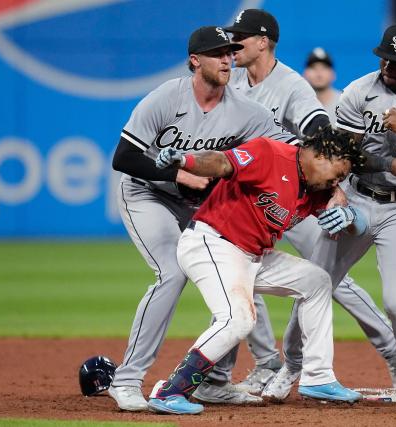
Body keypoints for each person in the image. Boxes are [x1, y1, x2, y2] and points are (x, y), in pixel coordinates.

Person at [202, 8, 396, 400]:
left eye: (239, 38)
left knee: (330, 280)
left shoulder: (290, 86)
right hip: (251, 200)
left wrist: (333, 189)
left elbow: (322, 134)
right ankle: (245, 370)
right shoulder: (233, 83)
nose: (231, 45)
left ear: (263, 42)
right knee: (234, 281)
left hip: (296, 199)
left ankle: (394, 356)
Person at [263, 23, 396, 409]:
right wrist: (388, 160)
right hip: (356, 202)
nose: (389, 64)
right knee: (314, 282)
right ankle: (291, 367)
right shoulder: (358, 91)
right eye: (385, 56)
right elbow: (345, 155)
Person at [108, 25, 298, 411]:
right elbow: (124, 158)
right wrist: (180, 174)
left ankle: (214, 381)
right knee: (172, 273)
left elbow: (291, 148)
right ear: (196, 60)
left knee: (235, 274)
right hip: (148, 193)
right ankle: (126, 380)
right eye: (217, 53)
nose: (228, 59)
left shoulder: (246, 111)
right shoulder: (166, 97)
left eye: (230, 52)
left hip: (198, 205)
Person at [147, 128, 366, 415]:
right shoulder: (270, 154)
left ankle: (317, 377)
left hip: (252, 256)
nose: (337, 182)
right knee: (238, 320)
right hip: (212, 242)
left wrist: (351, 217)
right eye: (337, 174)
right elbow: (222, 163)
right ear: (320, 155)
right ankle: (170, 391)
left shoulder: (316, 187)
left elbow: (358, 226)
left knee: (316, 281)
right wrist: (186, 161)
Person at [303, 47, 342, 123]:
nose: (319, 73)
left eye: (324, 68)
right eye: (313, 68)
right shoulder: (295, 106)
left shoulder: (347, 105)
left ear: (333, 74)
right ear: (305, 74)